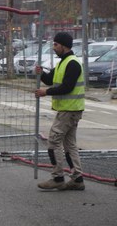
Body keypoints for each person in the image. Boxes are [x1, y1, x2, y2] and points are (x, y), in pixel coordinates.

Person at [35, 32, 85, 191]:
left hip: (69, 110)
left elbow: (67, 87)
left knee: (53, 142)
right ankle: (77, 179)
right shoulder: (63, 62)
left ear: (64, 46)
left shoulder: (72, 63)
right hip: (68, 110)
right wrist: (41, 73)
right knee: (70, 145)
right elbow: (51, 80)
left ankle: (57, 178)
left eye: (56, 44)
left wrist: (46, 92)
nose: (53, 47)